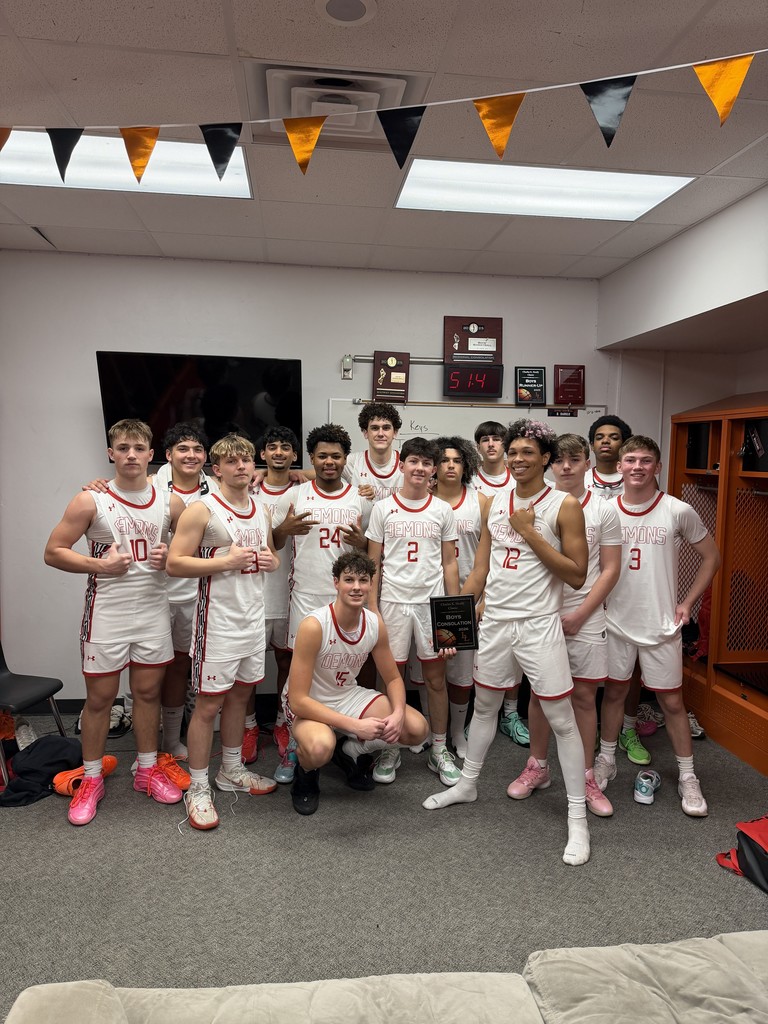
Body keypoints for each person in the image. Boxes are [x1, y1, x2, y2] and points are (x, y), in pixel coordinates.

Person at [423, 419, 592, 867]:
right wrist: (453, 627)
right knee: (484, 707)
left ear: (546, 459)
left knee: (561, 719)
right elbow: (480, 570)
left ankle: (578, 817)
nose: (517, 459)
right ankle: (468, 782)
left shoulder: (564, 504)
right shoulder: (494, 501)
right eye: (512, 451)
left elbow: (577, 574)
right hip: (495, 622)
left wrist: (531, 531)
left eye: (527, 453)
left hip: (538, 625)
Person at [44, 419, 186, 826]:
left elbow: (197, 543)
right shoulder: (91, 500)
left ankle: (145, 769)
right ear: (110, 453)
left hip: (153, 614)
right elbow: (53, 552)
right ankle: (91, 778)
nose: (130, 455)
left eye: (138, 448)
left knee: (146, 695)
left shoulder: (169, 501)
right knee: (101, 700)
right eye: (122, 448)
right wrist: (98, 565)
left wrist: (171, 556)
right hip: (107, 614)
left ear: (150, 452)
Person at [595, 436, 721, 816]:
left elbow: (711, 557)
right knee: (614, 694)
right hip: (615, 621)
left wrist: (687, 602)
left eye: (645, 460)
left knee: (671, 703)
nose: (637, 466)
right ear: (619, 466)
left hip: (661, 623)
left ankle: (687, 776)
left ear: (658, 467)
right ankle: (605, 759)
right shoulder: (603, 510)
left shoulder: (677, 510)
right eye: (630, 459)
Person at [167, 434, 280, 831]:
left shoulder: (262, 509)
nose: (241, 466)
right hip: (216, 624)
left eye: (247, 460)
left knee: (241, 697)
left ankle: (230, 770)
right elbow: (175, 564)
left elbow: (272, 555)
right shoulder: (202, 510)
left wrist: (270, 559)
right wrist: (223, 561)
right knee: (208, 705)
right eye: (232, 462)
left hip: (251, 619)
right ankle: (198, 787)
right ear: (217, 470)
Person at [515, 433, 621, 816]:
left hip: (586, 613)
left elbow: (610, 569)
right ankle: (538, 766)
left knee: (582, 697)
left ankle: (587, 775)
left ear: (587, 463)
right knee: (543, 695)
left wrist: (580, 614)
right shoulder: (531, 505)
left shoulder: (604, 509)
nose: (565, 467)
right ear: (548, 463)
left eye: (574, 460)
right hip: (540, 611)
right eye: (558, 460)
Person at [285, 552, 429, 815]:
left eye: (363, 580)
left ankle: (351, 750)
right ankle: (305, 775)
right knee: (319, 748)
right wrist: (355, 725)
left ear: (371, 584)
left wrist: (397, 714)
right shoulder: (314, 625)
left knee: (416, 729)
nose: (356, 587)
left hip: (346, 695)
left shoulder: (374, 624)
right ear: (336, 583)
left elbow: (394, 678)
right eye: (349, 579)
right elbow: (298, 700)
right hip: (311, 703)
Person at [366, 436, 461, 786]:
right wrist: (373, 612)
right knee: (390, 679)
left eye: (426, 463)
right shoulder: (382, 508)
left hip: (431, 605)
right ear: (402, 464)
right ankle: (390, 746)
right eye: (413, 461)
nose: (419, 468)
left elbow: (450, 565)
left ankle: (439, 749)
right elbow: (372, 564)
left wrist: (453, 619)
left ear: (433, 470)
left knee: (436, 680)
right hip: (392, 603)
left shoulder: (442, 510)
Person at [271, 423, 370, 651]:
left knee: (344, 657)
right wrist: (284, 529)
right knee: (300, 660)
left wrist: (361, 543)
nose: (329, 462)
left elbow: (372, 548)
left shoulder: (360, 499)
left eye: (336, 456)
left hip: (346, 594)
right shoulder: (294, 496)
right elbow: (274, 544)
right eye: (322, 456)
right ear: (311, 458)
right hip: (305, 593)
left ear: (345, 459)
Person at [246, 426, 302, 780]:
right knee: (249, 666)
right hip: (250, 592)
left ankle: (283, 721)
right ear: (262, 455)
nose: (279, 452)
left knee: (286, 658)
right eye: (272, 447)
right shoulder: (247, 488)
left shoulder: (304, 491)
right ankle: (249, 725)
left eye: (286, 447)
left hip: (289, 590)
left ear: (295, 456)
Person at [472, 420, 529, 747]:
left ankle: (510, 713)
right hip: (479, 566)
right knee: (485, 653)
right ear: (478, 445)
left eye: (497, 439)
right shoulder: (470, 480)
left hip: (514, 576)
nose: (492, 444)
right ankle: (483, 715)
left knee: (517, 654)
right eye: (485, 439)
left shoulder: (519, 480)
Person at [432, 436, 488, 758]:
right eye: (444, 460)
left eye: (456, 460)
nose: (450, 465)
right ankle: (432, 728)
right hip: (429, 596)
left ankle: (457, 732)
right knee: (430, 670)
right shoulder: (421, 499)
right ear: (434, 466)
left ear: (466, 464)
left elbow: (488, 558)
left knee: (461, 675)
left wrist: (481, 600)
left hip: (466, 598)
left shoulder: (480, 502)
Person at [342, 401, 403, 501]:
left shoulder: (407, 462)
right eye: (374, 428)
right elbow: (318, 472)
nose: (380, 433)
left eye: (386, 428)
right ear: (365, 433)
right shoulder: (353, 462)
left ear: (395, 433)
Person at [586, 415, 632, 499]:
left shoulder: (635, 478)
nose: (605, 441)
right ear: (592, 446)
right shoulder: (581, 479)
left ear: (624, 445)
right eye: (599, 438)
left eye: (614, 438)